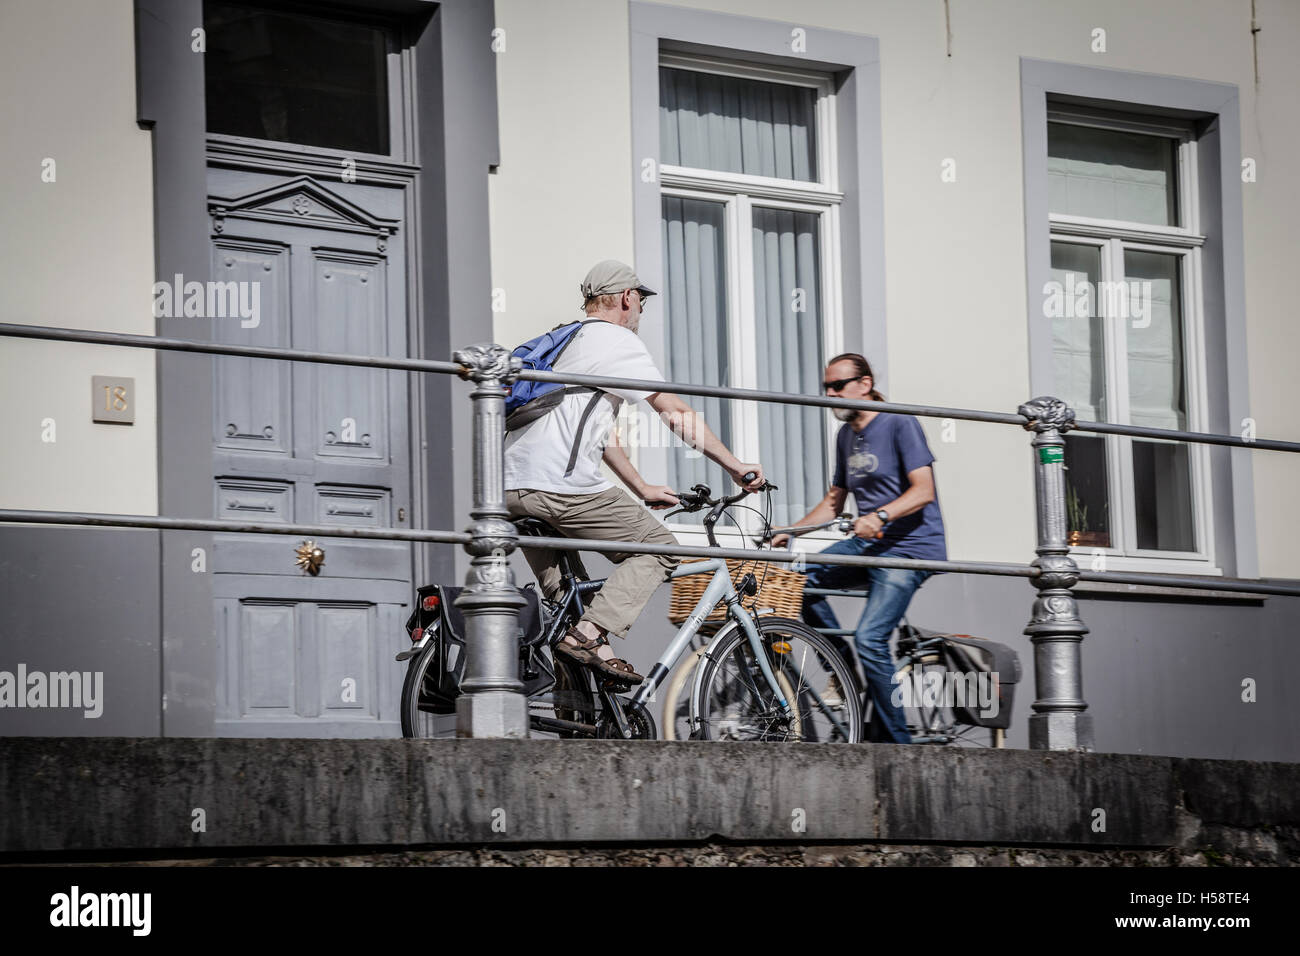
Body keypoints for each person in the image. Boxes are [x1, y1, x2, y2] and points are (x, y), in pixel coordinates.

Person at [504, 259, 765, 684]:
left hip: (512, 488)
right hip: (559, 485)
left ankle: (580, 714)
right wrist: (735, 466)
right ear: (627, 298)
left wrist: (641, 486)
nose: (640, 311)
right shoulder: (614, 340)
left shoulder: (567, 339)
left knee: (568, 602)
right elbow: (675, 412)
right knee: (660, 547)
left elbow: (601, 435)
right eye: (641, 302)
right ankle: (590, 635)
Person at [771, 353, 947, 743]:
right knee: (798, 576)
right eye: (827, 388)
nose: (831, 395)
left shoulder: (900, 422)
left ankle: (899, 749)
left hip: (910, 549)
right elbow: (835, 500)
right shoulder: (846, 435)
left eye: (838, 386)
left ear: (865, 384)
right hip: (868, 545)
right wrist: (790, 529)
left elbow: (923, 490)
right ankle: (841, 665)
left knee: (870, 637)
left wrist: (880, 516)